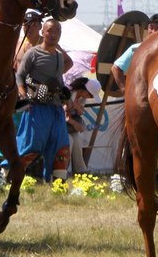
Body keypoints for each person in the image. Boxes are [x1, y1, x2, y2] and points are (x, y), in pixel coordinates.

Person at [15, 18, 73, 182]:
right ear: (43, 32)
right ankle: (15, 179)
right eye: (49, 31)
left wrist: (66, 99)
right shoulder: (32, 53)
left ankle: (58, 185)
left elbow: (61, 79)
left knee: (60, 146)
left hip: (56, 110)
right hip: (36, 109)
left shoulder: (60, 57)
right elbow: (19, 76)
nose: (53, 34)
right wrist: (23, 95)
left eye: (56, 31)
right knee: (30, 145)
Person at [110, 13, 158, 90]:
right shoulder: (136, 49)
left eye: (157, 30)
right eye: (151, 28)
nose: (153, 32)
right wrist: (124, 90)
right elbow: (116, 68)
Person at [65, 76, 102, 175]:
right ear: (85, 90)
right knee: (69, 140)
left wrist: (77, 107)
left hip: (70, 124)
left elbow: (81, 113)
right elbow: (61, 114)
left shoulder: (81, 98)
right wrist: (75, 123)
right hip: (61, 123)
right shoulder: (68, 93)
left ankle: (79, 169)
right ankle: (65, 170)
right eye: (90, 95)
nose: (90, 98)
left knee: (77, 138)